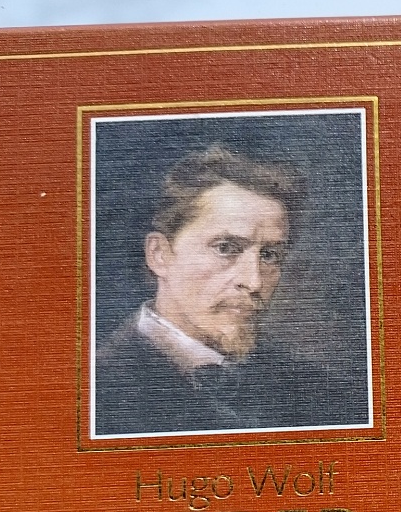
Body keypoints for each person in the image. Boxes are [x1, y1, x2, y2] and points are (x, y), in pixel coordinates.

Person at [94, 144, 368, 435]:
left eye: (269, 255)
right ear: (159, 255)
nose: (254, 282)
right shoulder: (96, 390)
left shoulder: (324, 392)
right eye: (225, 248)